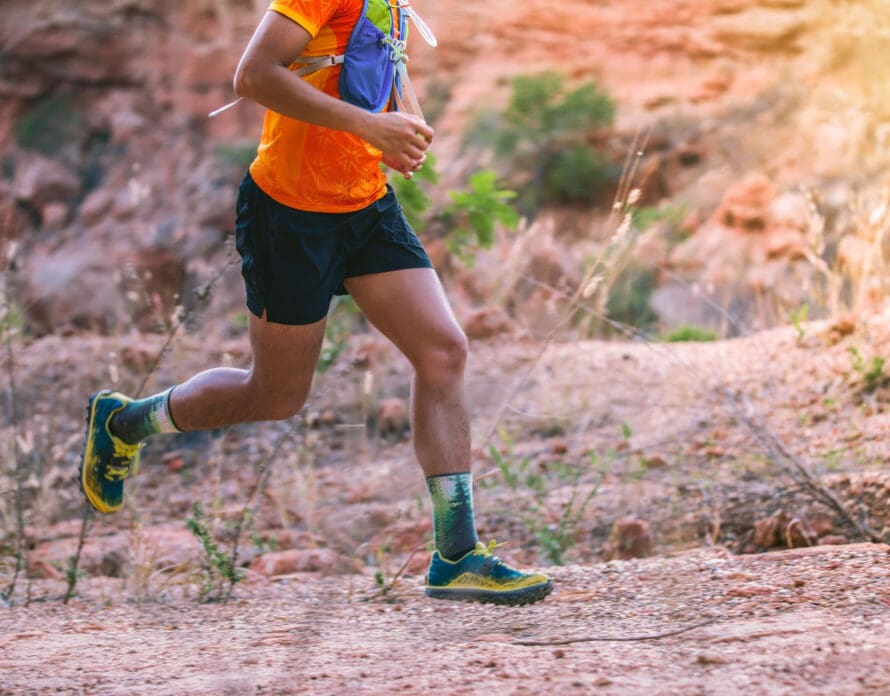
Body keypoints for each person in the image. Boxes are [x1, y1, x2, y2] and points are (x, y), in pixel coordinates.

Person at [80, 0, 552, 606]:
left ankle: (456, 557)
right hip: (290, 215)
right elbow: (252, 75)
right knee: (276, 396)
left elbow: (380, 58)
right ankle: (124, 423)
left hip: (365, 207)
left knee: (443, 352)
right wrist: (366, 127)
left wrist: (403, 122)